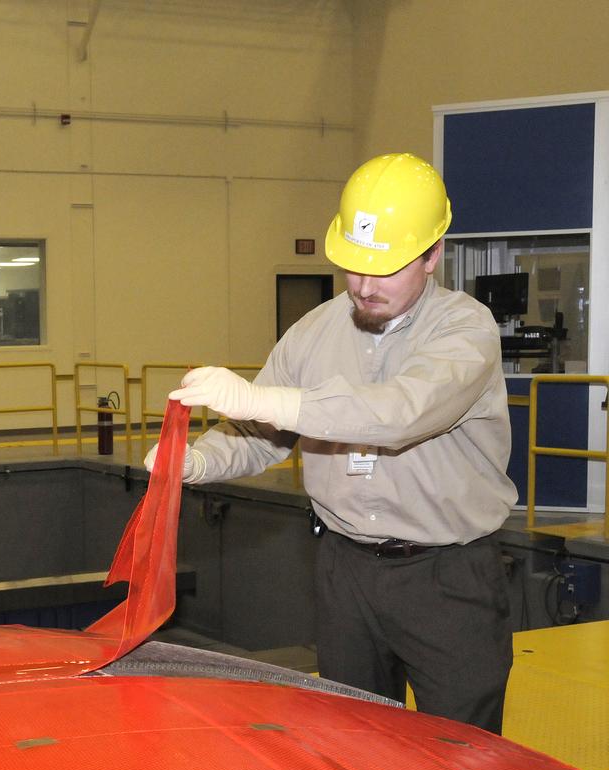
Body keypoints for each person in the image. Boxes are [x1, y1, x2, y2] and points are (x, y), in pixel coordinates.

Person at [146, 152, 517, 734]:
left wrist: (259, 399)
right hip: (345, 570)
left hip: (447, 577)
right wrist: (193, 461)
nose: (364, 287)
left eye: (385, 269)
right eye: (353, 267)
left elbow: (398, 413)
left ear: (432, 255)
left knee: (463, 753)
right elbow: (262, 437)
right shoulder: (315, 331)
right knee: (354, 742)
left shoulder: (465, 332)